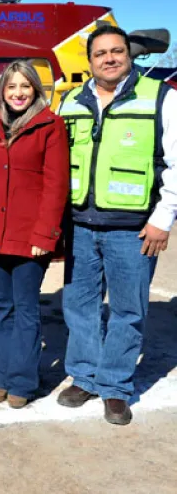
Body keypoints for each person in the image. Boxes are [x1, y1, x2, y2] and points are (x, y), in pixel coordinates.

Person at [56, 25, 177, 425]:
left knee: (128, 308)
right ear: (89, 60)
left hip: (134, 227)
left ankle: (115, 386)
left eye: (116, 51)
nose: (109, 58)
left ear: (129, 55)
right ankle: (85, 375)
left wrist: (163, 218)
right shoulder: (71, 101)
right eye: (100, 53)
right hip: (79, 224)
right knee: (79, 305)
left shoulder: (161, 98)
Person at [0, 60, 69, 408]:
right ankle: (0, 376)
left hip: (30, 237)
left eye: (25, 86)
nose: (18, 93)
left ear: (36, 89)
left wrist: (46, 235)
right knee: (0, 307)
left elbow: (57, 185)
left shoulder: (50, 125)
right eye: (11, 87)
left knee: (25, 308)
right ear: (2, 91)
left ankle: (23, 382)